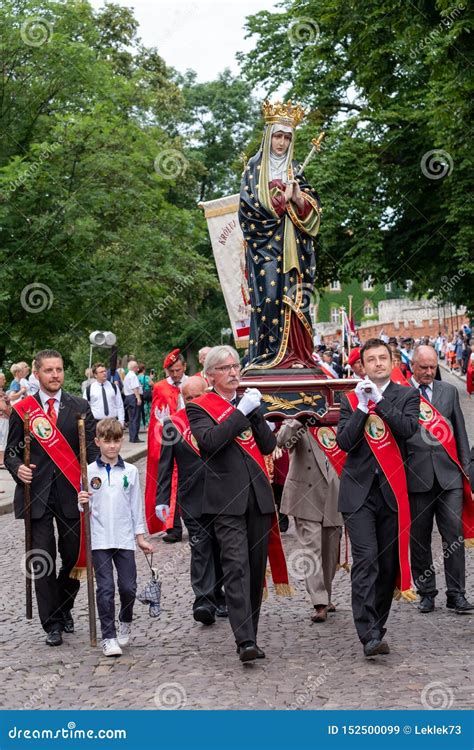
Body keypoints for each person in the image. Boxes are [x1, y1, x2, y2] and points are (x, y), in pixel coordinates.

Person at [186, 345, 276, 662]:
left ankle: (251, 628)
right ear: (210, 375)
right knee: (235, 567)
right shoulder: (199, 407)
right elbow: (209, 443)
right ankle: (245, 640)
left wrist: (254, 411)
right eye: (225, 368)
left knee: (254, 570)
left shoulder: (247, 403)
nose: (234, 372)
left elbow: (268, 445)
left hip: (258, 498)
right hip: (225, 502)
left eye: (236, 366)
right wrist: (240, 413)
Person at [4, 349, 96, 646]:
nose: (55, 375)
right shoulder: (24, 410)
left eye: (59, 369)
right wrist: (19, 469)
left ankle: (64, 606)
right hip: (37, 495)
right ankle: (52, 622)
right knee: (42, 559)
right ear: (37, 373)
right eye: (49, 370)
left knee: (74, 558)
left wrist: (92, 481)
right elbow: (10, 452)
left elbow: (91, 453)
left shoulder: (79, 407)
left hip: (71, 494)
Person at [336, 338, 419, 657]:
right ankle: (367, 631)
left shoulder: (406, 395)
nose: (378, 363)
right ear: (363, 365)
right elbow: (344, 442)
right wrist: (361, 406)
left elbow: (408, 429)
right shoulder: (349, 398)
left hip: (392, 492)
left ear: (392, 361)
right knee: (366, 558)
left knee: (386, 565)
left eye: (383, 358)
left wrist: (380, 402)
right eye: (371, 359)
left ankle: (377, 624)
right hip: (358, 494)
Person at [239, 100, 321, 370]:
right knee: (270, 298)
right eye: (278, 136)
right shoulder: (254, 169)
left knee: (296, 298)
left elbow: (313, 214)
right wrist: (279, 202)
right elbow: (248, 212)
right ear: (268, 135)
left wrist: (298, 199)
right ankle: (270, 356)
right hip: (265, 250)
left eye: (287, 137)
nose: (282, 143)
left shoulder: (296, 171)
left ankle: (296, 356)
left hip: (293, 249)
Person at [405, 345, 473, 614]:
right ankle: (426, 592)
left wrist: (466, 469)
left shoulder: (448, 392)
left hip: (449, 477)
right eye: (424, 367)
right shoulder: (402, 394)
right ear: (413, 366)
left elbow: (460, 432)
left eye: (433, 367)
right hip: (415, 477)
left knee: (453, 536)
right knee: (419, 538)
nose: (429, 372)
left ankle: (457, 594)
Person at [155, 376, 227, 624]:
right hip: (192, 497)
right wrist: (161, 499)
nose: (194, 402)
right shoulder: (173, 424)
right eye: (189, 398)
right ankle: (203, 601)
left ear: (207, 393)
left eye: (198, 396)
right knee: (200, 548)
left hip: (222, 496)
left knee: (221, 548)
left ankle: (220, 595)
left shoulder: (221, 416)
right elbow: (165, 464)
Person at [78, 418, 153, 656]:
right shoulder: (88, 471)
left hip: (124, 538)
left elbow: (135, 506)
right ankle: (108, 636)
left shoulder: (130, 472)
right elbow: (83, 507)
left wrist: (140, 537)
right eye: (107, 441)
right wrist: (81, 503)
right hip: (100, 538)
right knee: (106, 588)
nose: (112, 446)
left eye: (117, 441)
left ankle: (125, 619)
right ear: (98, 442)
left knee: (128, 587)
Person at [277, 417, 342, 622]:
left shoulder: (337, 417)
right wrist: (295, 420)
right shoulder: (297, 422)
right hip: (305, 494)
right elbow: (282, 442)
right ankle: (319, 601)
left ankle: (327, 596)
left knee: (330, 551)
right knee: (311, 549)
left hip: (334, 493)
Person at [145, 349, 188, 544]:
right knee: (170, 484)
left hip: (191, 440)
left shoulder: (193, 383)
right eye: (171, 371)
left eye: (178, 370)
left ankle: (197, 523)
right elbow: (156, 419)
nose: (175, 374)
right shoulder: (160, 388)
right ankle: (173, 526)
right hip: (169, 442)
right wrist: (157, 446)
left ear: (184, 367)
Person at [123, 360, 142, 443]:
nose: (138, 369)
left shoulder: (127, 375)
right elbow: (135, 387)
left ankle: (132, 436)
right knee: (135, 417)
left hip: (128, 397)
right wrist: (138, 398)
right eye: (137, 367)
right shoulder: (133, 376)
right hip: (133, 397)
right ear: (134, 367)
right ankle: (134, 437)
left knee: (131, 418)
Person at [0, 372, 11, 467]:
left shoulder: (2, 391)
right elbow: (3, 407)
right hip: (2, 419)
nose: (5, 381)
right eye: (3, 379)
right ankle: (1, 461)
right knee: (3, 439)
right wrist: (11, 415)